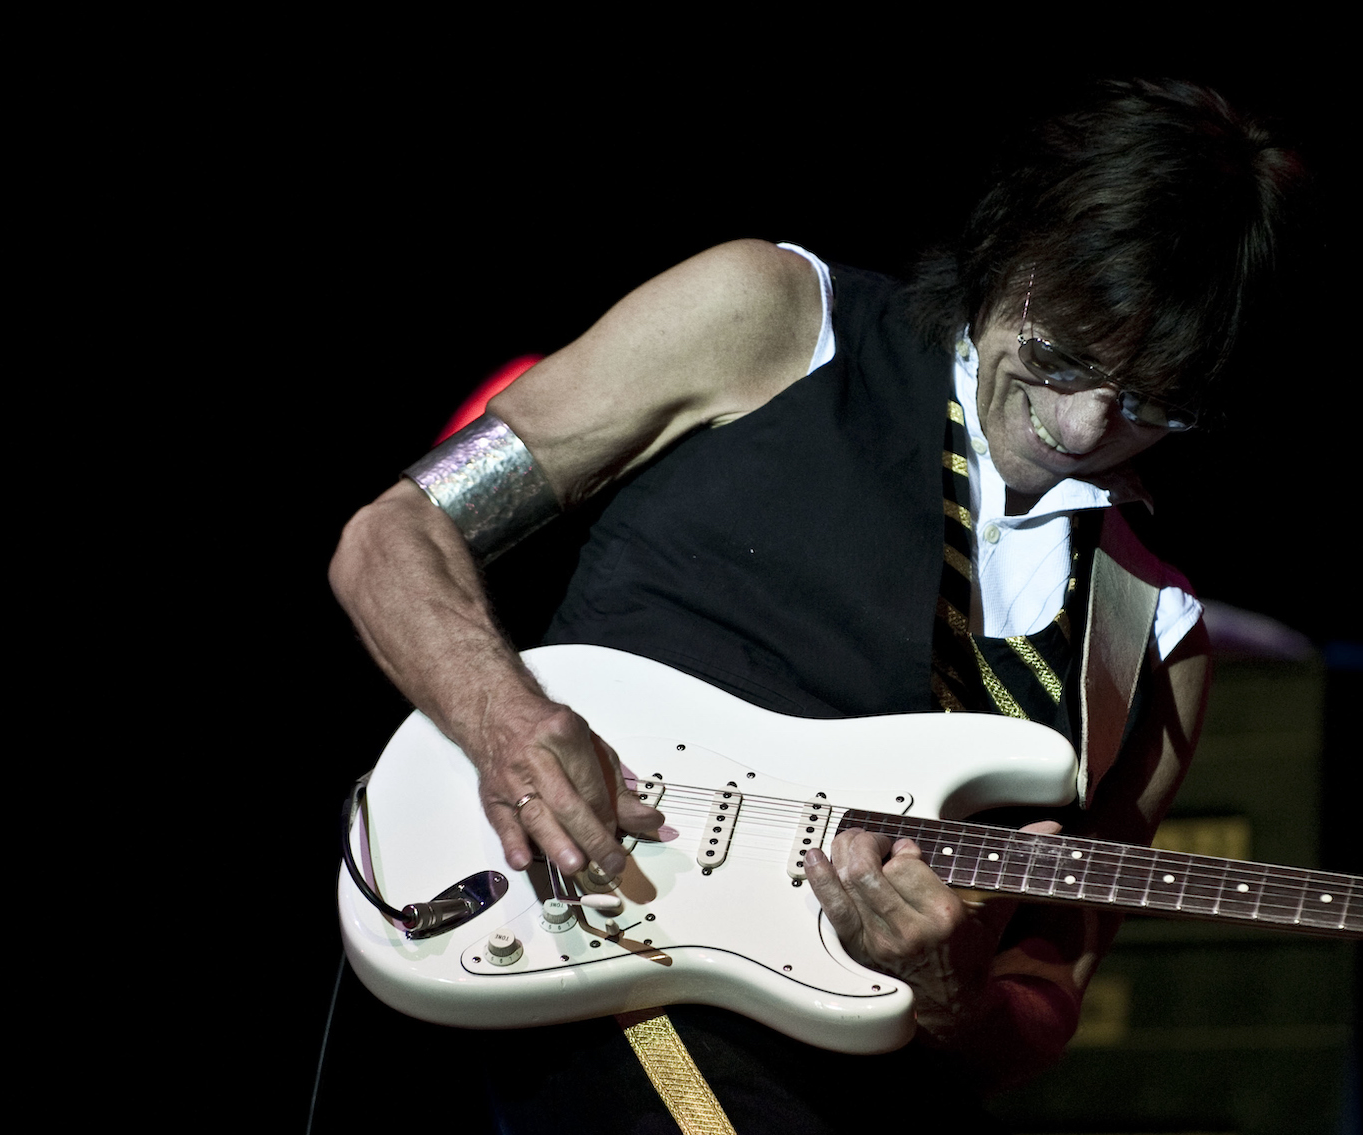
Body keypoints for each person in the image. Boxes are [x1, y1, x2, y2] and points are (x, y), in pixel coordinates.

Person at [330, 79, 1301, 1132]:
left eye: (1151, 399)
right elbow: (391, 536)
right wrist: (508, 722)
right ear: (1010, 244)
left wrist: (952, 993)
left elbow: (1048, 995)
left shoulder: (1155, 640)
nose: (1081, 423)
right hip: (613, 980)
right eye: (1062, 351)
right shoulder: (775, 320)